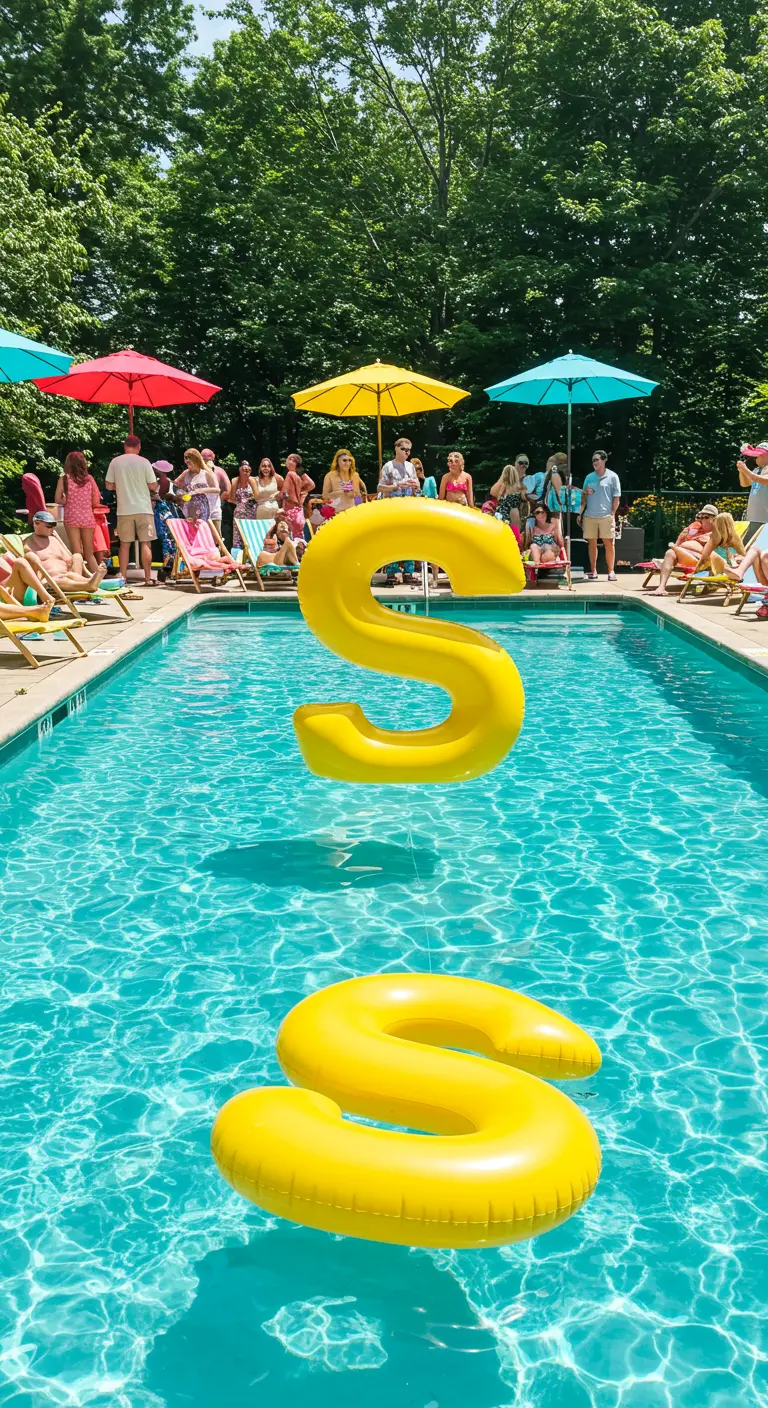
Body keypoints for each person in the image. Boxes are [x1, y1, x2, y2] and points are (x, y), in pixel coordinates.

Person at [105, 435, 158, 587]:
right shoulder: (145, 462)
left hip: (124, 509)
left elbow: (108, 485)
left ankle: (123, 578)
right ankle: (147, 579)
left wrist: (121, 486)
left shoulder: (116, 462)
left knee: (124, 544)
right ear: (139, 446)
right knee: (145, 543)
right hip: (143, 508)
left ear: (125, 446)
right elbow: (153, 486)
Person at [23, 510, 107, 590]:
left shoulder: (54, 540)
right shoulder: (29, 542)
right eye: (49, 526)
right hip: (50, 579)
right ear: (36, 523)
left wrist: (58, 539)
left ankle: (91, 582)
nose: (52, 529)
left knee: (76, 557)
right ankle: (88, 585)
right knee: (61, 580)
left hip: (67, 574)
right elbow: (31, 562)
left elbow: (69, 559)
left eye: (53, 526)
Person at [646, 505, 718, 594]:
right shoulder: (694, 528)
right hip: (685, 555)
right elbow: (678, 542)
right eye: (700, 517)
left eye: (706, 517)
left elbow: (713, 551)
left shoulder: (716, 531)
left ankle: (675, 549)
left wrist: (696, 539)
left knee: (673, 550)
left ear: (714, 519)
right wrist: (683, 537)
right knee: (670, 553)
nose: (702, 520)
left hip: (701, 559)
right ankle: (661, 588)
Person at [378, 437, 419, 586]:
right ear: (396, 448)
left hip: (408, 506)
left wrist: (416, 485)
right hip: (392, 507)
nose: (406, 453)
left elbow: (417, 486)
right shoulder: (389, 466)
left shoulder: (410, 467)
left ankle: (408, 572)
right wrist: (396, 486)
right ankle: (392, 571)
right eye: (403, 449)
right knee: (392, 539)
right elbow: (380, 487)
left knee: (408, 539)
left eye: (409, 450)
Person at [54, 451, 102, 573]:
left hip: (71, 518)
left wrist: (67, 500)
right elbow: (96, 500)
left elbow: (57, 499)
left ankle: (79, 578)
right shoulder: (89, 479)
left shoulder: (64, 479)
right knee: (89, 553)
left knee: (77, 553)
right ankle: (98, 578)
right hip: (87, 518)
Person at [578, 449, 621, 580]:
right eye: (593, 461)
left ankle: (611, 571)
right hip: (590, 515)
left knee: (609, 543)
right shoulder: (589, 477)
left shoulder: (613, 477)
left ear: (604, 460)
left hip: (606, 515)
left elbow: (616, 497)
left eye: (596, 460)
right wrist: (580, 513)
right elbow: (583, 496)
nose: (594, 462)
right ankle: (593, 571)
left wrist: (612, 513)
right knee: (592, 544)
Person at [174, 449, 219, 523]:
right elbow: (175, 484)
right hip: (190, 505)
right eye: (186, 462)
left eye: (189, 462)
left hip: (203, 505)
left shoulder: (206, 473)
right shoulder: (186, 473)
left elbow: (217, 489)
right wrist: (180, 494)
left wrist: (199, 490)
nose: (187, 463)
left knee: (201, 526)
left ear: (196, 460)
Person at [151, 461, 178, 581]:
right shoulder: (168, 481)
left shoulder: (160, 481)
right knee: (169, 539)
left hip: (160, 511)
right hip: (167, 511)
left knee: (166, 539)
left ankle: (167, 564)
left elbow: (158, 495)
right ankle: (171, 565)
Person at [736, 442, 768, 541]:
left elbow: (764, 480)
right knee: (748, 545)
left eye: (759, 455)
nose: (756, 458)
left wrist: (745, 470)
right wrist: (741, 471)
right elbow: (744, 484)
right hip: (753, 517)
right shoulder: (757, 470)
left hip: (765, 518)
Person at [282, 452, 315, 537]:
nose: (287, 460)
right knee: (299, 537)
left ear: (293, 461)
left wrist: (278, 497)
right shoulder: (298, 477)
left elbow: (284, 493)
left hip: (290, 510)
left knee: (289, 537)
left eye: (288, 458)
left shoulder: (290, 474)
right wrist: (302, 492)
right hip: (299, 511)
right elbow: (312, 484)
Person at [228, 461, 260, 549]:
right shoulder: (235, 480)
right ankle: (237, 555)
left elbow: (257, 496)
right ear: (240, 470)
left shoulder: (253, 480)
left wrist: (248, 479)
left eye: (247, 469)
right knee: (238, 537)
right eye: (243, 469)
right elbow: (232, 497)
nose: (245, 471)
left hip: (251, 512)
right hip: (239, 513)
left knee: (250, 535)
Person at [490, 463, 527, 532]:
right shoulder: (519, 486)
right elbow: (524, 497)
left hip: (504, 511)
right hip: (514, 510)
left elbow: (499, 495)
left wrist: (500, 498)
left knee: (502, 531)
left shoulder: (505, 484)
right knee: (515, 532)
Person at [201, 449, 231, 531]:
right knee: (213, 535)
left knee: (211, 535)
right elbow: (228, 490)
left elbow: (228, 490)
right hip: (203, 508)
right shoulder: (196, 471)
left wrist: (218, 501)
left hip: (212, 507)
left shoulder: (218, 471)